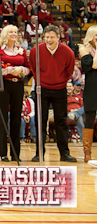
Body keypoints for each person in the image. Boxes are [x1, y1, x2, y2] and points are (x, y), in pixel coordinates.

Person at [29, 25, 76, 162]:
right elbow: (33, 67)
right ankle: (39, 154)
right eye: (47, 37)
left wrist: (61, 81)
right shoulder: (35, 51)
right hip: (41, 89)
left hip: (60, 89)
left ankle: (64, 154)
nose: (49, 39)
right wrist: (40, 81)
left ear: (58, 37)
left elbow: (70, 70)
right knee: (40, 122)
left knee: (61, 122)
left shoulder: (68, 52)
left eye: (52, 37)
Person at [0, 25, 30, 162]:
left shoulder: (21, 51)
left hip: (18, 84)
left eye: (15, 32)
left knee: (17, 118)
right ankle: (2, 152)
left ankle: (15, 152)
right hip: (3, 86)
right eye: (11, 32)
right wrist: (9, 70)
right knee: (2, 117)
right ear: (5, 34)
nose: (14, 34)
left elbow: (28, 69)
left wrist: (20, 69)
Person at [79, 25, 97, 166]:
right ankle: (87, 152)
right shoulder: (84, 49)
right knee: (90, 119)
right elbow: (93, 66)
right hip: (92, 87)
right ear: (91, 37)